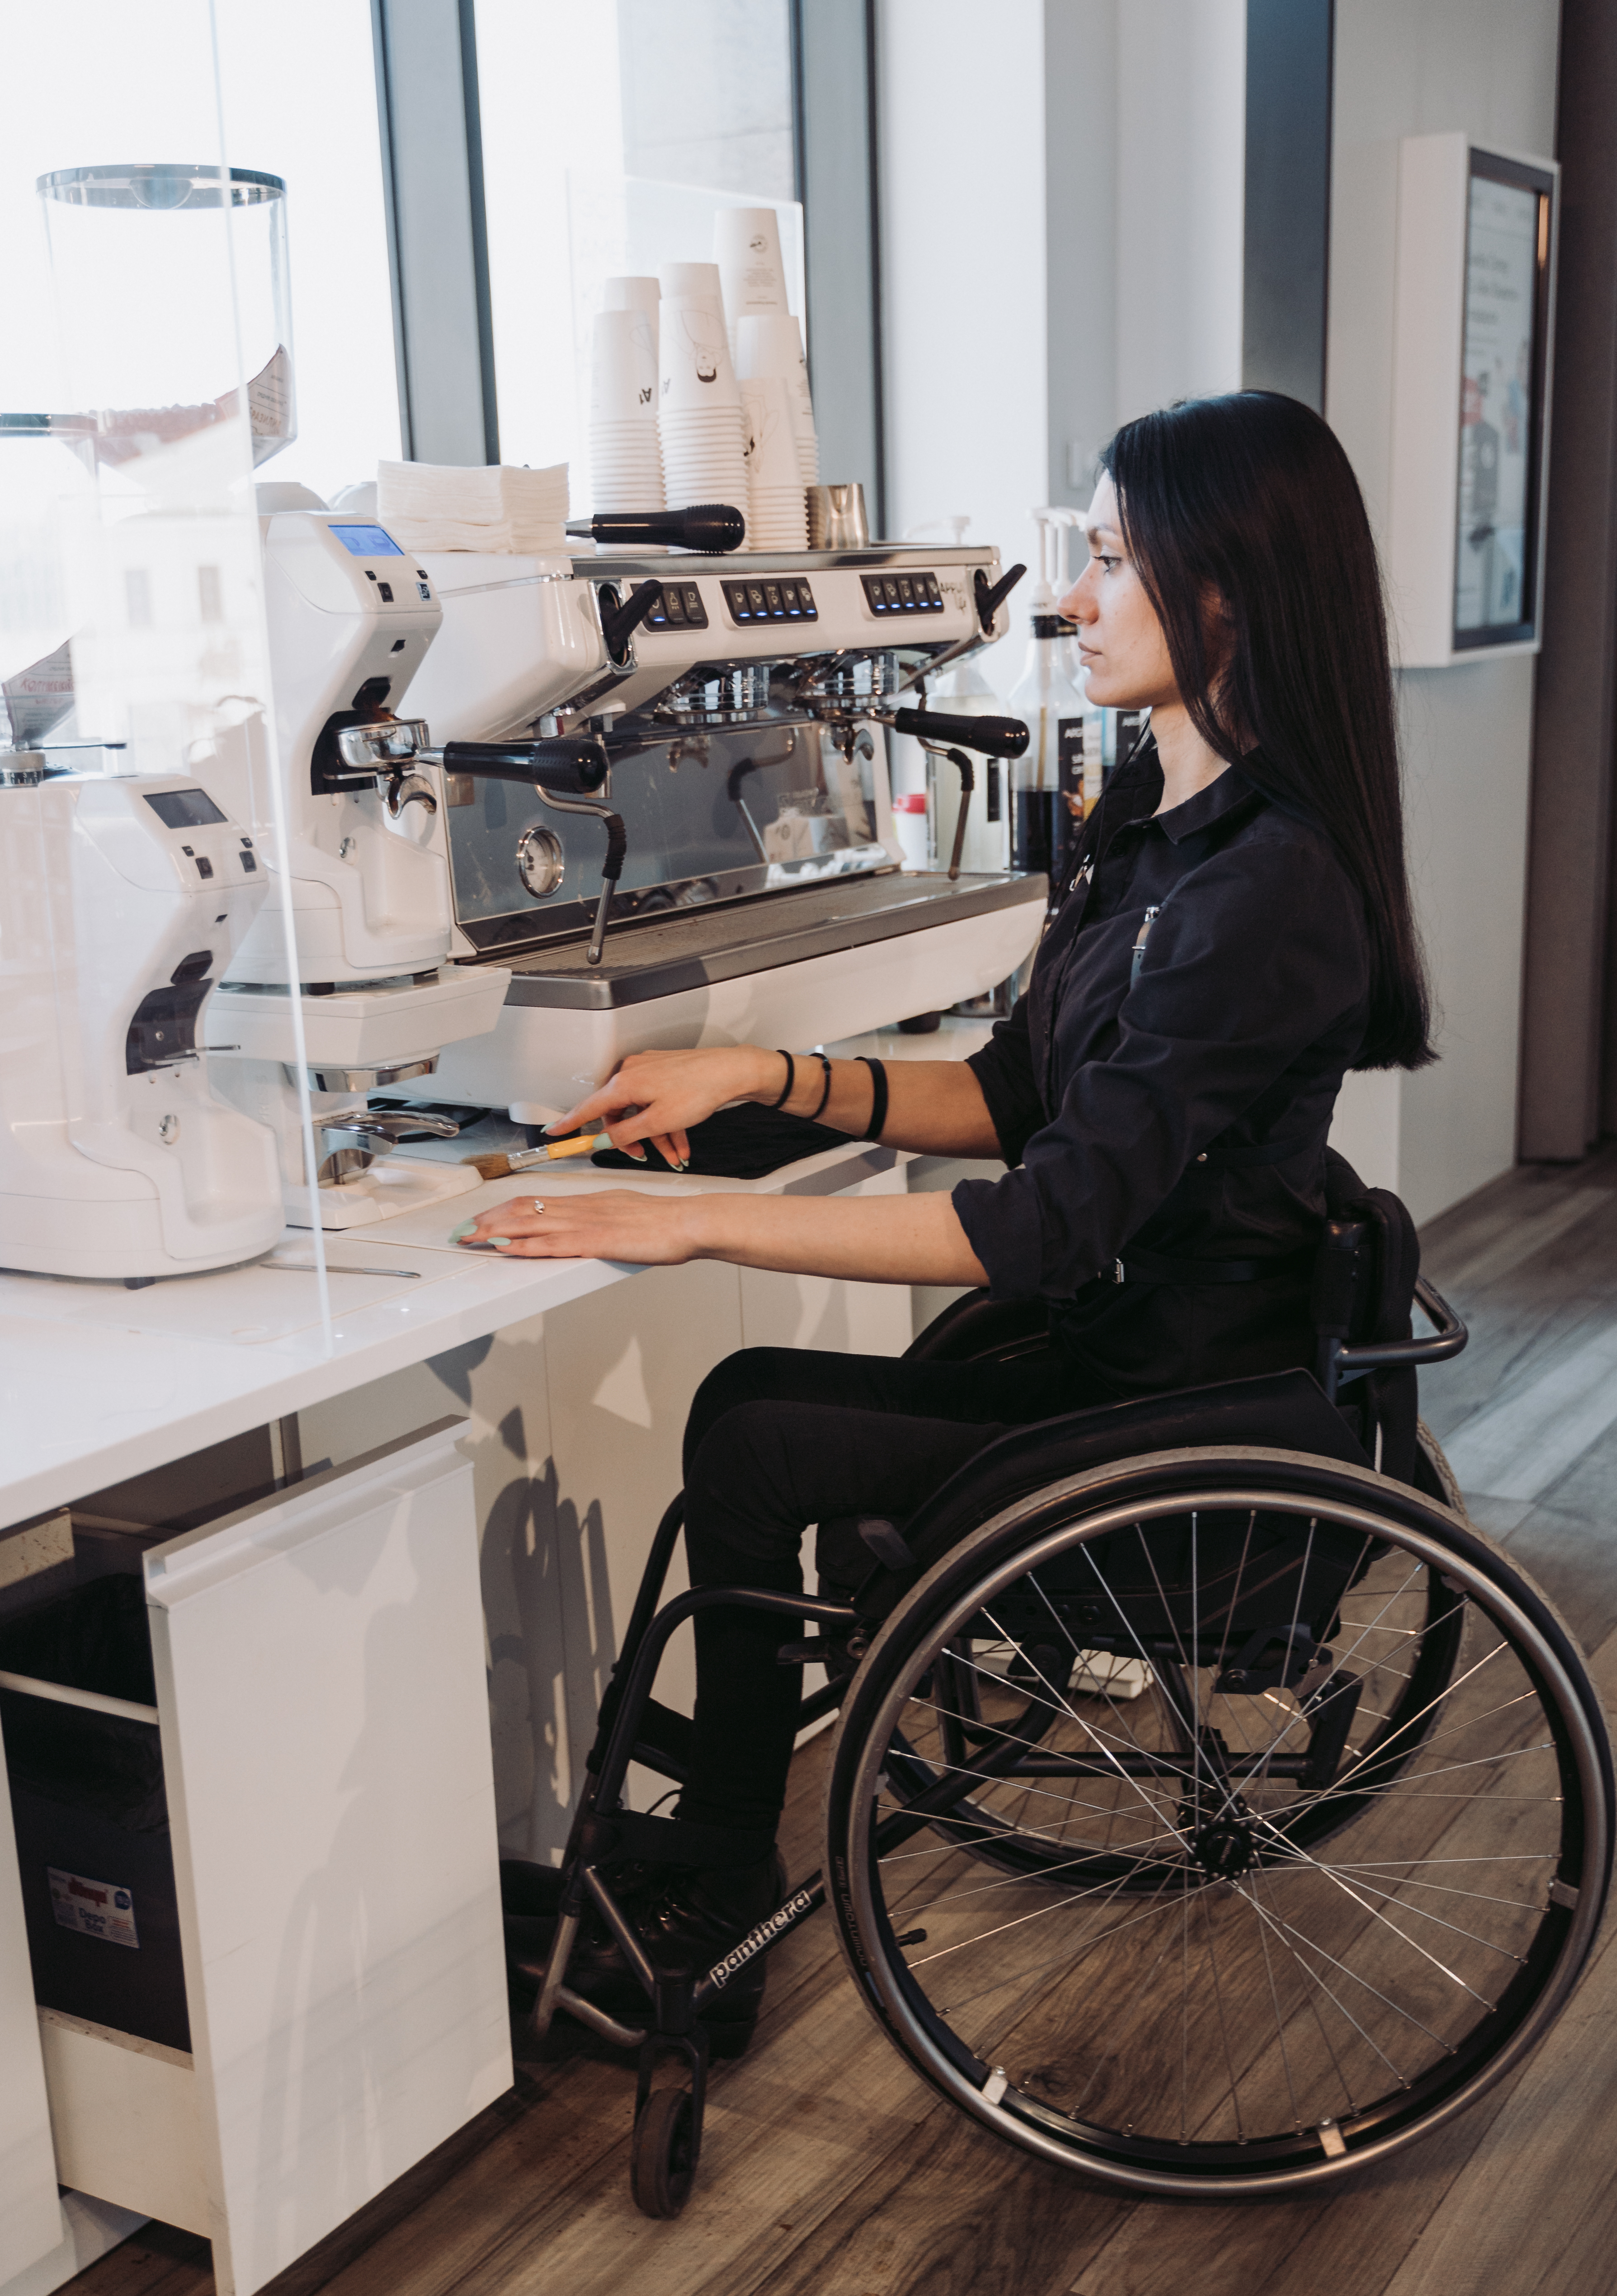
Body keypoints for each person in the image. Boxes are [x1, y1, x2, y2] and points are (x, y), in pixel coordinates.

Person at [459, 389, 1435, 2042]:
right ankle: (715, 1835)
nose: (1068, 599)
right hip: (1128, 1346)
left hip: (1156, 1403)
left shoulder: (1262, 892)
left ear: (1224, 594)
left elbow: (1031, 1228)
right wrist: (754, 1079)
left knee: (758, 1433)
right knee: (753, 1414)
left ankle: (711, 1882)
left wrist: (689, 1232)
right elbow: (1007, 1096)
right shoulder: (1160, 830)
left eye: (1110, 561)